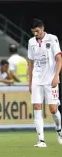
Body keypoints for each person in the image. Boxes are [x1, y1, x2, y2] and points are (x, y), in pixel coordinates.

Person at [27, 19, 62, 147]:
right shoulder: (31, 42)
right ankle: (41, 140)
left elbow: (59, 59)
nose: (35, 34)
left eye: (37, 31)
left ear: (42, 28)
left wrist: (56, 76)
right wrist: (29, 82)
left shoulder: (52, 39)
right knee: (37, 107)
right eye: (33, 32)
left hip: (50, 79)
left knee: (53, 110)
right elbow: (30, 63)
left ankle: (59, 131)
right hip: (37, 79)